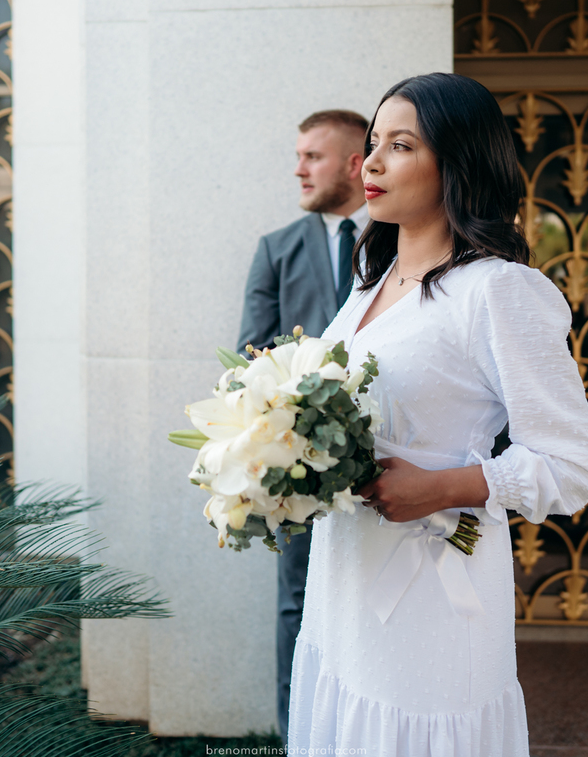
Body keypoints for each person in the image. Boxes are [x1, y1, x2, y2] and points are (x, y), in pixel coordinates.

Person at [287, 73, 588, 755]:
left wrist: (440, 487)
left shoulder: (497, 292)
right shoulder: (369, 281)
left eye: (399, 145)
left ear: (457, 163)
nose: (370, 163)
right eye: (373, 142)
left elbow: (574, 465)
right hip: (344, 578)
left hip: (432, 584)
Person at [236, 109, 370, 739]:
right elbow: (248, 362)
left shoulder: (405, 241)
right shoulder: (276, 249)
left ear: (352, 162)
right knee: (298, 602)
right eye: (298, 155)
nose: (298, 168)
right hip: (302, 467)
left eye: (312, 156)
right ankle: (299, 737)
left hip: (399, 460)